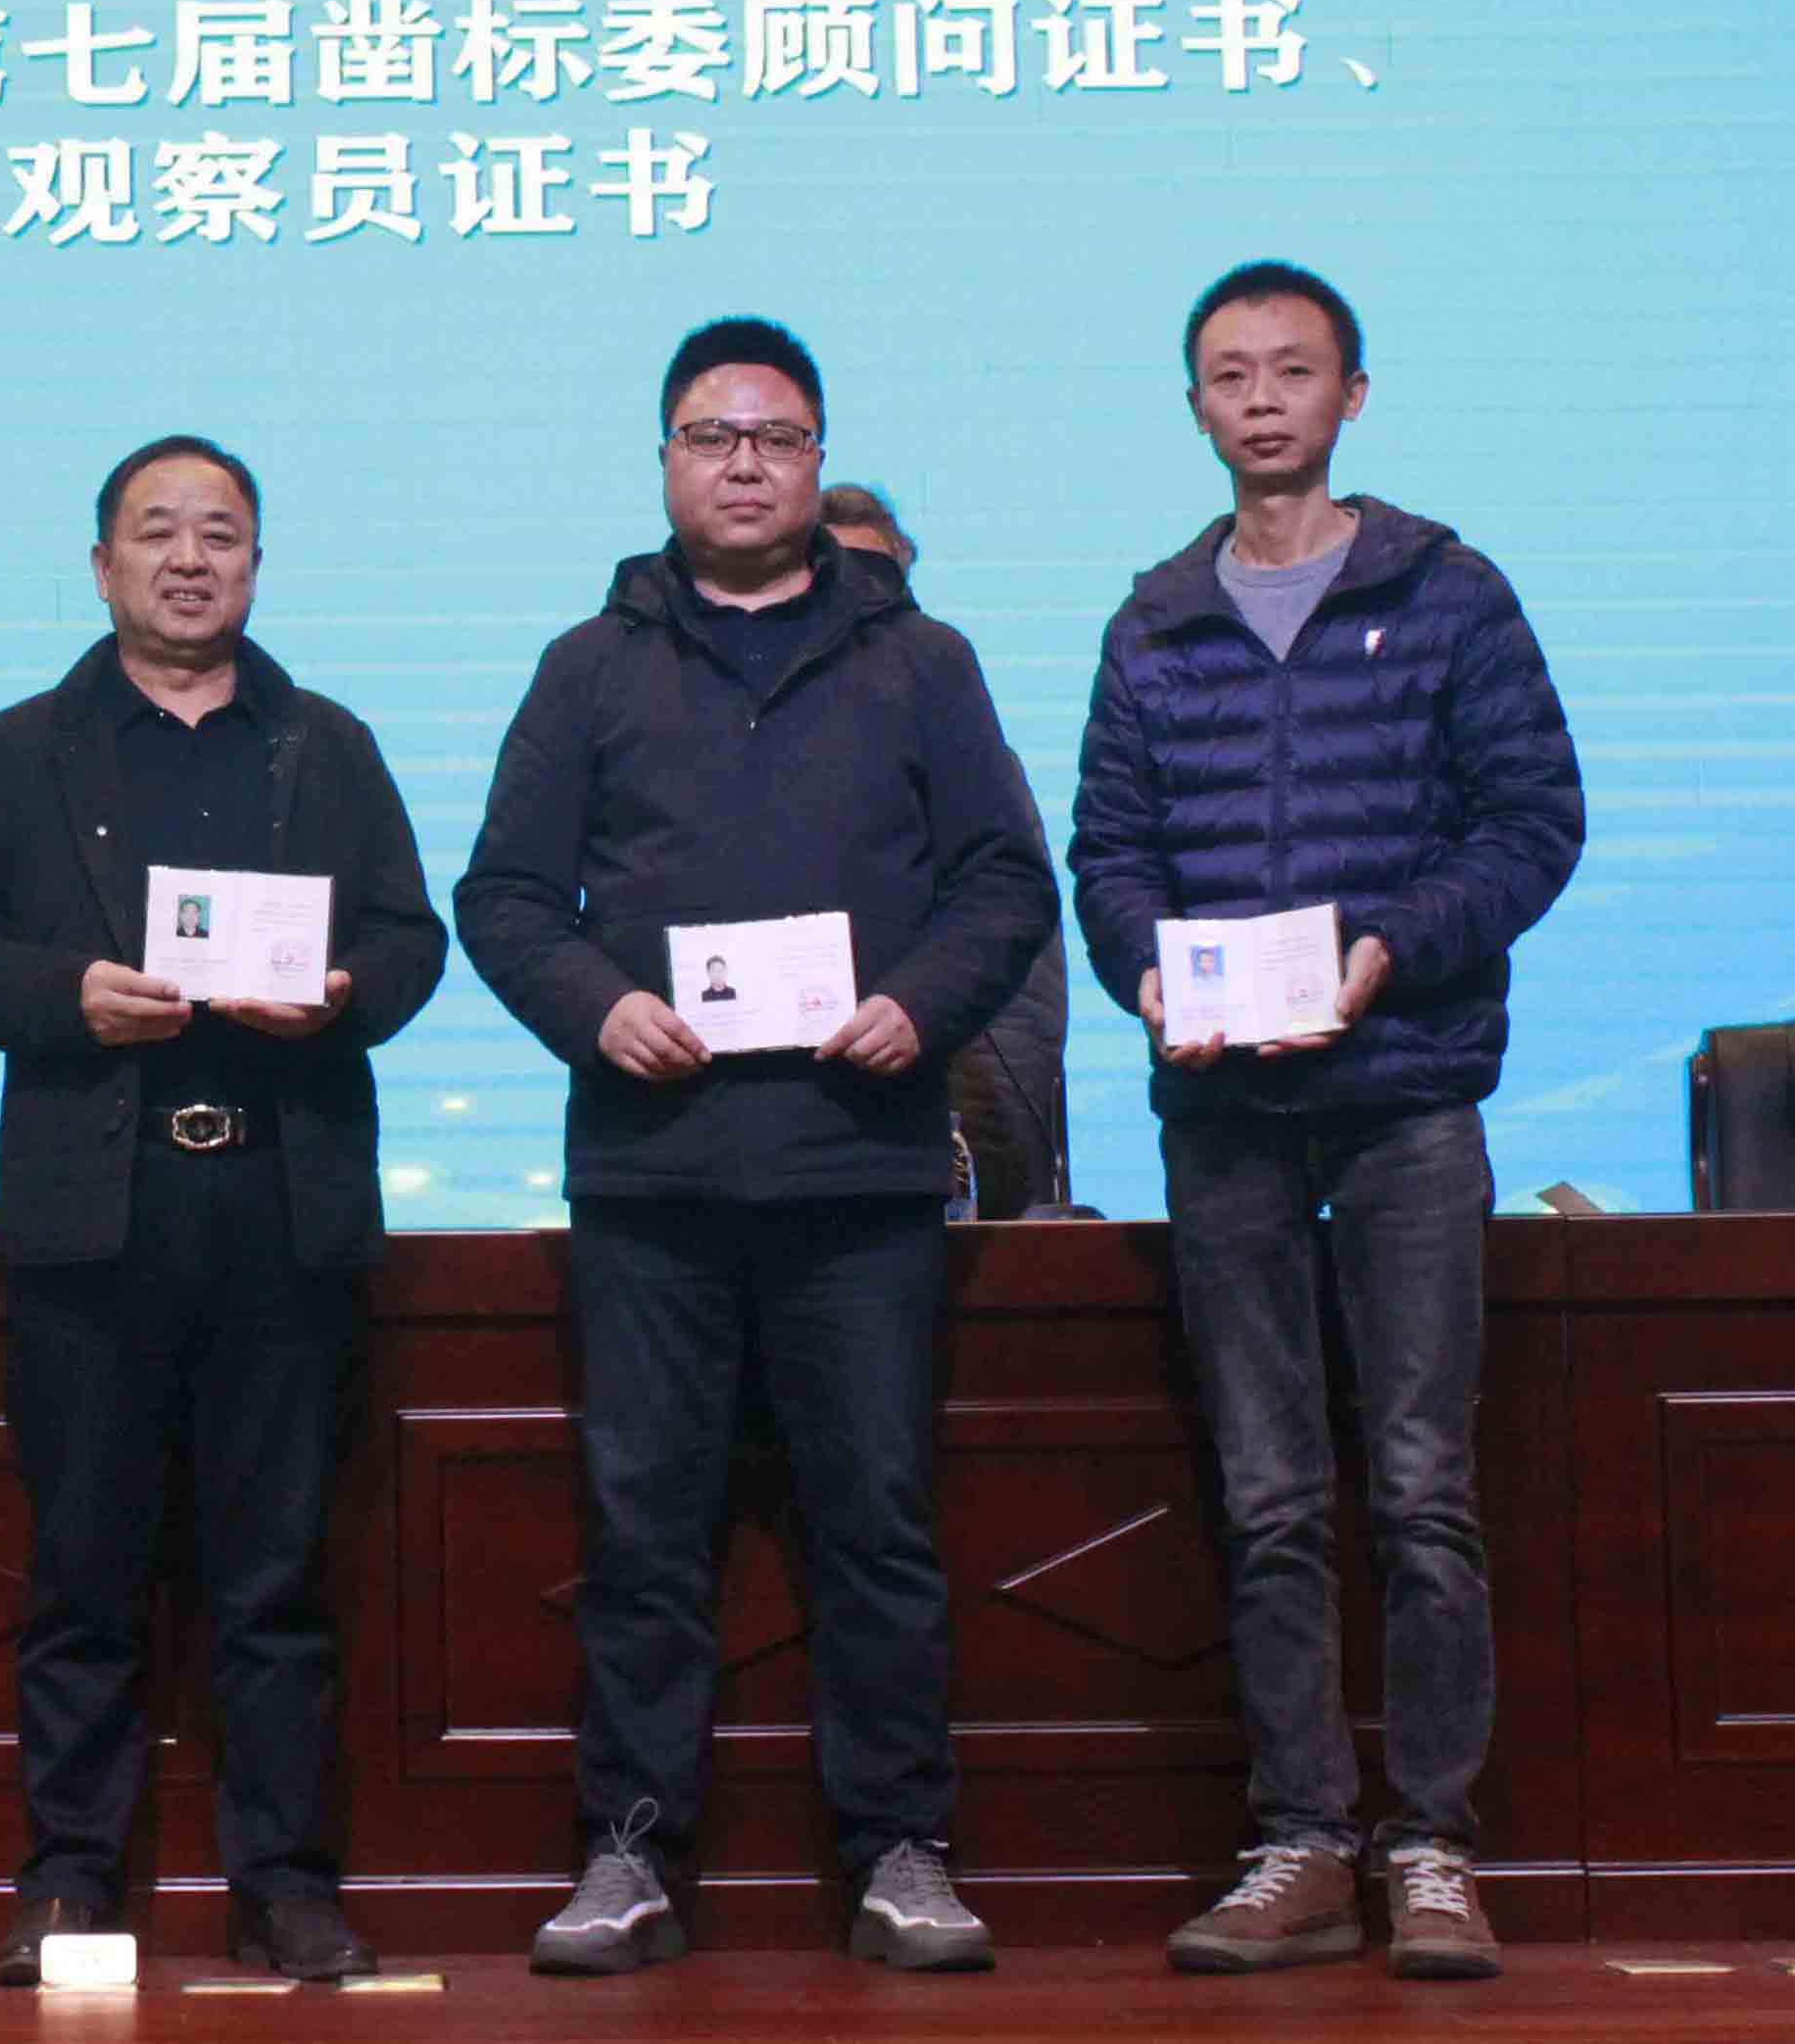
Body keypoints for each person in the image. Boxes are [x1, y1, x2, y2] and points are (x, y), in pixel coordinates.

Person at [455, 318, 1056, 1976]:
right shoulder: (587, 666)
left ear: (815, 461)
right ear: (664, 461)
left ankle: (902, 1850)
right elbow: (504, 897)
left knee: (876, 1524)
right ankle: (628, 1851)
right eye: (711, 436)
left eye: (775, 438)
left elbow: (1005, 881)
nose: (742, 464)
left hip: (856, 1167)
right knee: (641, 1531)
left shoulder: (919, 661)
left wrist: (917, 1005)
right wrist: (598, 1011)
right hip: (652, 1175)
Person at [1068, 261, 1582, 1982]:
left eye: (1292, 370)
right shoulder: (1151, 621)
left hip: (1403, 1098)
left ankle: (1429, 1846)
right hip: (1223, 1109)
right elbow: (1107, 854)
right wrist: (1144, 969)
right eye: (1229, 375)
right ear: (1195, 407)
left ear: (1349, 394)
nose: (1262, 399)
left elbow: (1531, 820)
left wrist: (1393, 947)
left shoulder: (1446, 593)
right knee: (1268, 1494)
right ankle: (1296, 1840)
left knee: (1422, 1488)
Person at [0, 434, 447, 1985]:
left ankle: (286, 1888)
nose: (189, 559)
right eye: (157, 532)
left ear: (257, 565)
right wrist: (68, 998)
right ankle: (69, 1884)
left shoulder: (326, 745)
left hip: (279, 1198)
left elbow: (410, 939)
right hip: (99, 1206)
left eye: (220, 533)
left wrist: (339, 994)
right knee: (83, 1569)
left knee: (276, 1576)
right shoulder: (23, 748)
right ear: (102, 565)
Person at [819, 483, 1075, 1219]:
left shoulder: (965, 740)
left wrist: (1006, 1124)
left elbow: (1025, 965)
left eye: (878, 578)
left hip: (965, 1090)